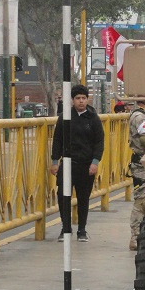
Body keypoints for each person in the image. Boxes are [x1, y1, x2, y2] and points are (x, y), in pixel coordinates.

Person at [50, 85, 105, 242]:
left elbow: (99, 141)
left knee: (83, 197)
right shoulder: (65, 117)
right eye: (78, 98)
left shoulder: (93, 118)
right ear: (72, 100)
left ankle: (82, 229)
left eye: (83, 98)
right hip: (67, 164)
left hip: (86, 164)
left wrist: (95, 162)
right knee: (63, 196)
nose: (81, 101)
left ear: (87, 99)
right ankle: (65, 228)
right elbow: (57, 140)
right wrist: (55, 161)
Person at [128, 99, 145, 251]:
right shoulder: (140, 117)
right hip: (142, 165)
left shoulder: (144, 115)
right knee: (143, 200)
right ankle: (135, 236)